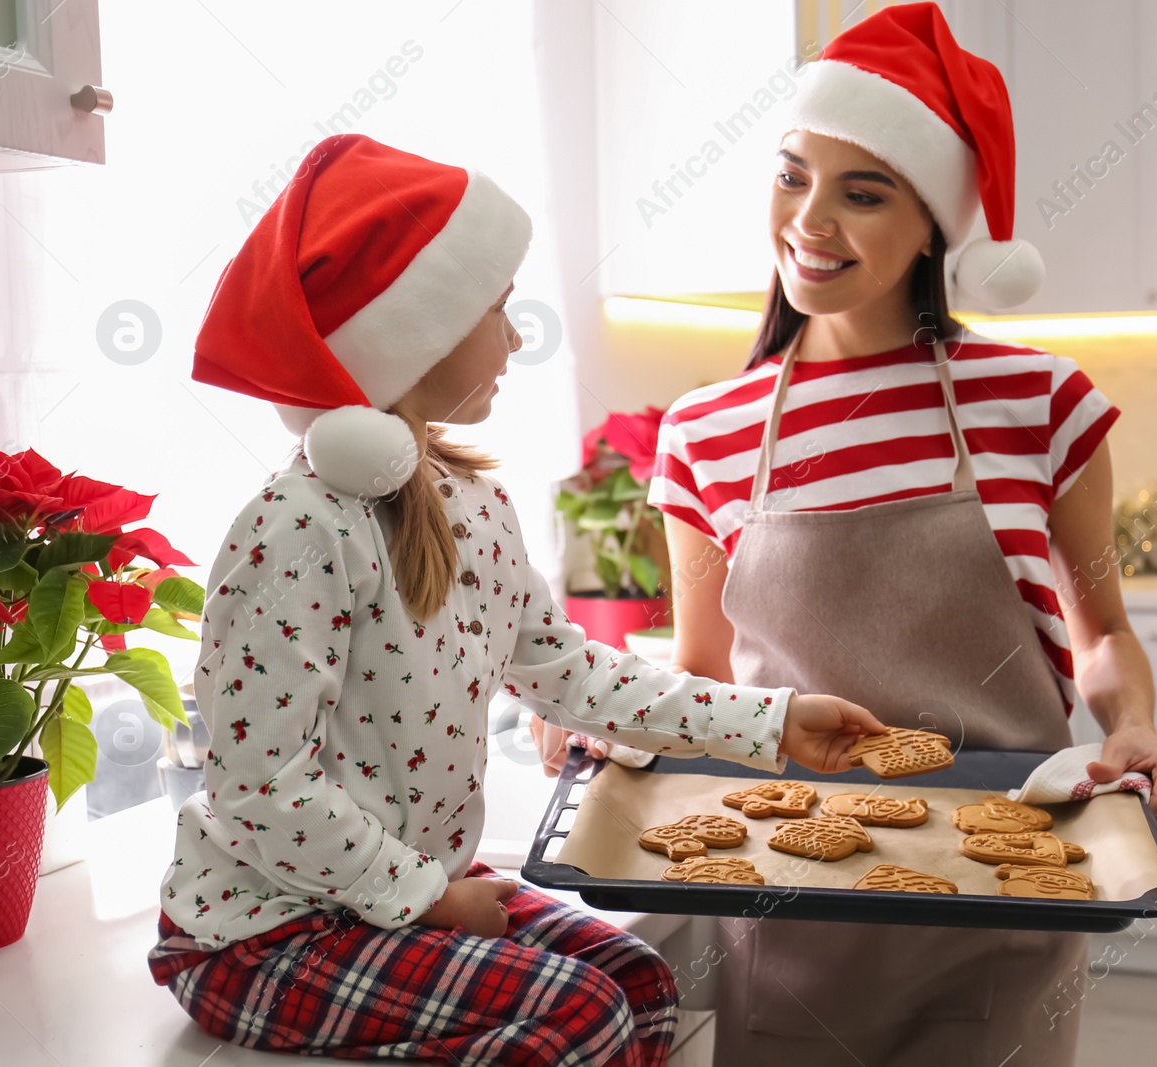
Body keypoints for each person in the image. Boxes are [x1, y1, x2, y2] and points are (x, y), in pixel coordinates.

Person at [145, 133, 888, 1067]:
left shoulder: (475, 504)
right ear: (414, 336)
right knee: (581, 1013)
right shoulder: (297, 530)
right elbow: (260, 786)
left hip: (398, 898)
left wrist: (775, 721)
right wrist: (425, 895)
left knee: (645, 987)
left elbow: (570, 676)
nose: (517, 334)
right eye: (495, 310)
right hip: (263, 931)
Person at [545, 6, 1157, 1064]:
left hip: (1002, 891)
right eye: (792, 174)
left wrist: (1134, 723)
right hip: (783, 896)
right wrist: (611, 726)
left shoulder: (1037, 400)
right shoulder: (705, 431)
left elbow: (1102, 632)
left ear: (933, 223)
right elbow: (703, 680)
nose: (811, 219)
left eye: (865, 192)